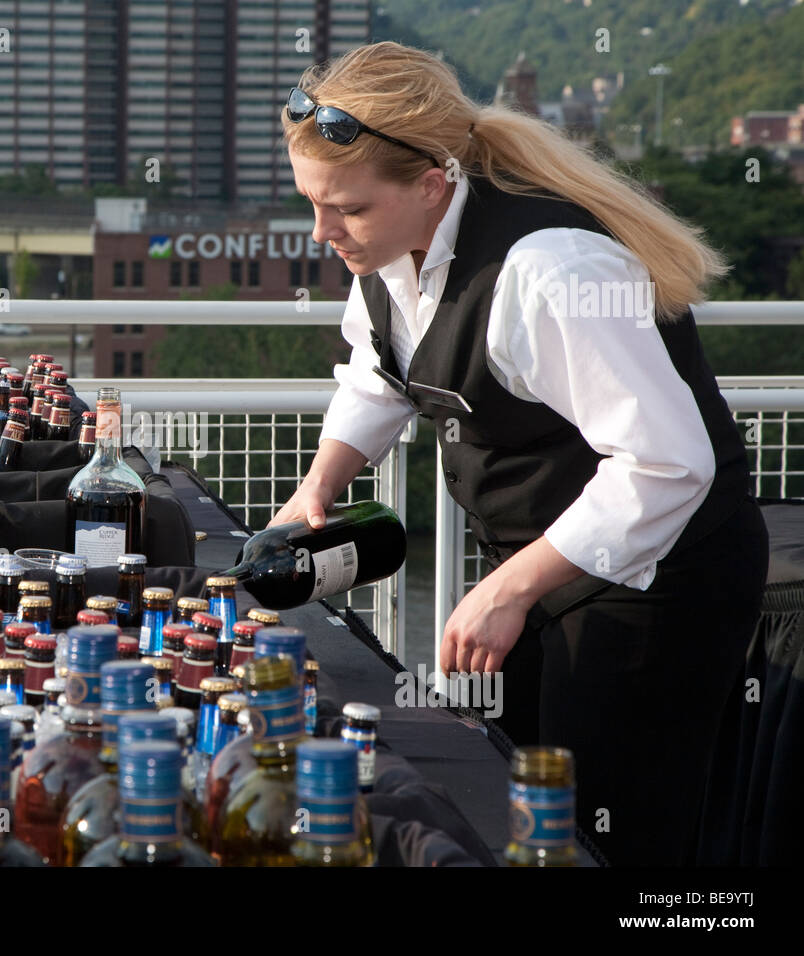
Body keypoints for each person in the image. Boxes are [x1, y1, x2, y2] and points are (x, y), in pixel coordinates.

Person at [272, 42, 768, 867]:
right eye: (313, 204)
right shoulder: (393, 247)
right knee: (516, 802)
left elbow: (668, 463)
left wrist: (506, 587)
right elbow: (380, 372)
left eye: (347, 210)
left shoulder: (551, 268)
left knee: (609, 833)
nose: (323, 232)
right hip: (549, 566)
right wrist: (320, 484)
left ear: (432, 184)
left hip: (663, 582)